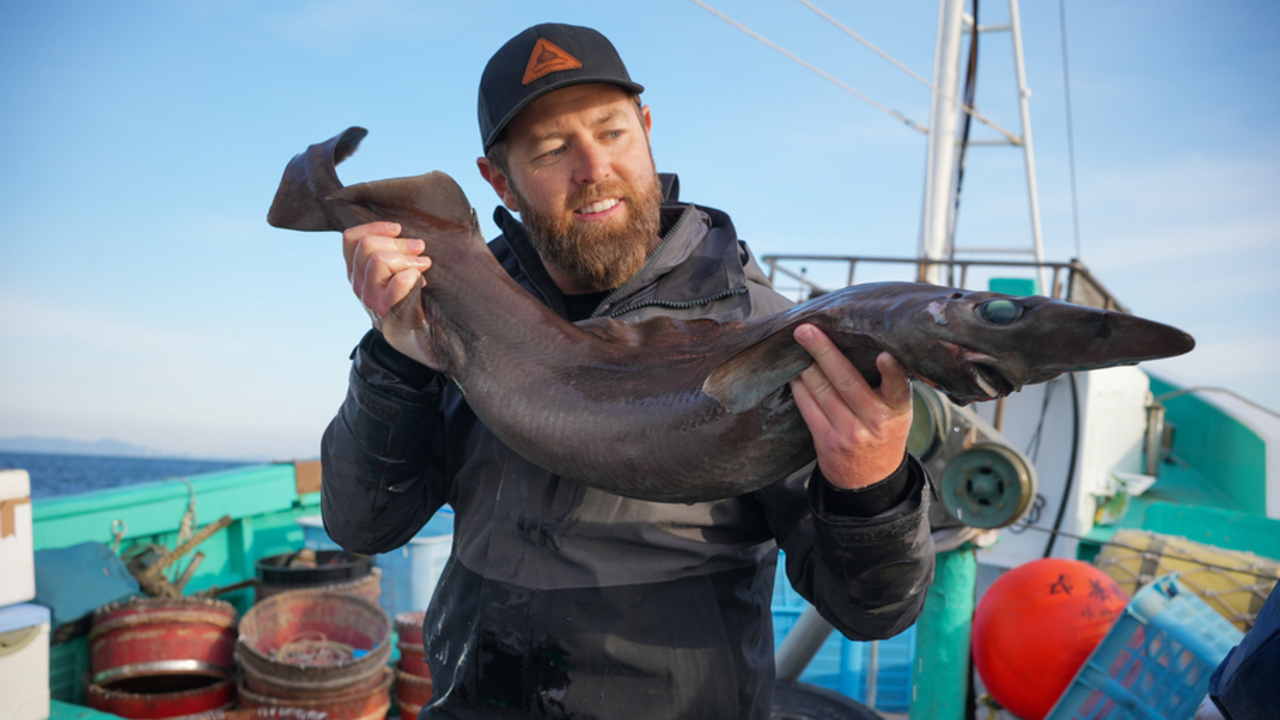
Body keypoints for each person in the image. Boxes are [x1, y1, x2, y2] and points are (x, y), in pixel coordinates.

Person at [321, 23, 934, 719]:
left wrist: (872, 492)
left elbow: (873, 610)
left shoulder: (770, 332)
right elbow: (361, 526)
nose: (593, 168)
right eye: (552, 149)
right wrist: (394, 357)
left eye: (612, 132)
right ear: (500, 180)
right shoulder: (454, 309)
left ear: (646, 129)